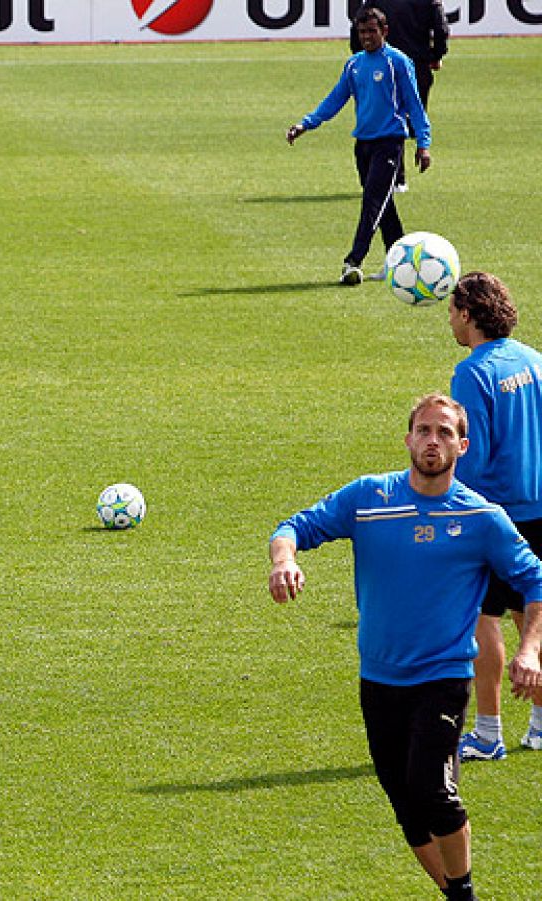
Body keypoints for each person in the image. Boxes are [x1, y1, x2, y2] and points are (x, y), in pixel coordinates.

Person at [268, 395, 542, 901]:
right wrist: (283, 561)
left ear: (462, 445)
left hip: (442, 678)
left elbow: (535, 579)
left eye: (443, 433)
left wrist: (530, 650)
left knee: (433, 793)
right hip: (378, 679)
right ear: (408, 439)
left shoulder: (482, 518)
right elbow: (293, 528)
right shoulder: (369, 498)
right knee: (407, 807)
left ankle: (464, 894)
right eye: (423, 431)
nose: (432, 441)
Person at [443, 273, 542, 761]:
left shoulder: (472, 372)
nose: (450, 321)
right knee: (533, 614)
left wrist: (458, 513)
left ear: (468, 313)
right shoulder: (534, 361)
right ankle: (541, 726)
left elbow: (472, 455)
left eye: (452, 310)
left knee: (483, 617)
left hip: (495, 511)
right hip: (540, 505)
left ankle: (487, 732)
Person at [286, 8, 432, 286]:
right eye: (362, 32)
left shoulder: (397, 62)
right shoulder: (354, 65)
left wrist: (423, 144)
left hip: (389, 144)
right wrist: (306, 124)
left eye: (371, 31)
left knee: (372, 203)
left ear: (384, 32)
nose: (366, 37)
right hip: (362, 145)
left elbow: (415, 104)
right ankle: (400, 265)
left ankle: (353, 261)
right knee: (384, 207)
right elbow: (335, 99)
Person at [350, 0, 449, 190]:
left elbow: (359, 22)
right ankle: (396, 175)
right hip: (418, 62)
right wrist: (436, 55)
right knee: (408, 114)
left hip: (382, 63)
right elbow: (440, 27)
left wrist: (362, 58)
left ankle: (395, 176)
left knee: (391, 117)